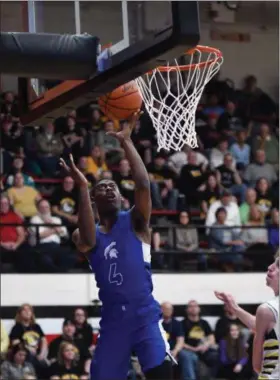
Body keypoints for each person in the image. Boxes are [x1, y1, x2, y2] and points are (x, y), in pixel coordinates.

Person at [59, 111, 174, 380]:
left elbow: (144, 185)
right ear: (94, 200)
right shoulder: (85, 235)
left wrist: (127, 142)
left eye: (113, 187)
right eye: (102, 188)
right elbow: (87, 240)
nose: (109, 190)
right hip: (113, 322)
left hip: (145, 315)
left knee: (163, 374)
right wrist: (83, 185)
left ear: (122, 197)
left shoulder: (135, 222)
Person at [215, 254, 279, 379]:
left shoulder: (266, 310)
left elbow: (257, 365)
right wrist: (235, 308)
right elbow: (264, 326)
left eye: (278, 265)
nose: (270, 267)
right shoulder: (269, 313)